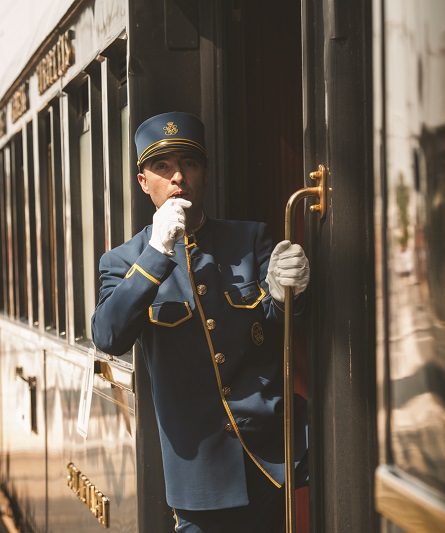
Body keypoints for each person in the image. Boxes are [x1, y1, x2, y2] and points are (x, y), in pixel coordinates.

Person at [91, 111, 310, 532]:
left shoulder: (249, 240)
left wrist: (288, 294)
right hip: (200, 479)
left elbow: (276, 326)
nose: (178, 177)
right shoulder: (124, 261)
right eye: (163, 166)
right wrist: (157, 251)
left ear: (204, 173)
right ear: (144, 182)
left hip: (271, 461)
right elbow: (109, 335)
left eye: (189, 164)